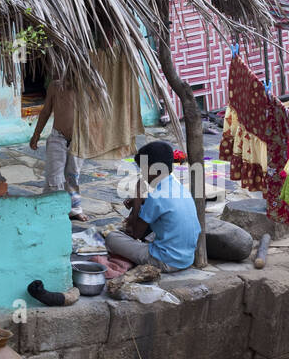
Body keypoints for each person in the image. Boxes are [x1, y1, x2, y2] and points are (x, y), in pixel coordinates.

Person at [105, 140, 199, 272]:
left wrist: (138, 197)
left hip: (165, 261)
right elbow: (164, 206)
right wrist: (143, 200)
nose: (142, 174)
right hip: (187, 258)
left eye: (143, 169)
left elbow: (135, 233)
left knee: (112, 238)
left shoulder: (156, 196)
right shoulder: (179, 188)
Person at [29, 77, 84, 220]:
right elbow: (46, 111)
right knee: (53, 176)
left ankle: (74, 208)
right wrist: (36, 134)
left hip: (79, 140)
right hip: (57, 137)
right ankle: (52, 206)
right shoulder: (56, 86)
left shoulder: (87, 85)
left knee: (73, 176)